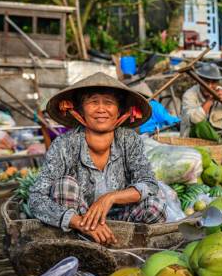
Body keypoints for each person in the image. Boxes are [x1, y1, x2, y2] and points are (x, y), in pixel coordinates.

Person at [29, 72, 167, 245]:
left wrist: (110, 198)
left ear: (119, 111)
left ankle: (125, 244)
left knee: (156, 206)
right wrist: (79, 221)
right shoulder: (65, 144)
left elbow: (149, 183)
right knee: (65, 185)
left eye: (109, 103)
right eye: (93, 102)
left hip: (122, 218)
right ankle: (79, 246)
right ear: (80, 110)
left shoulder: (129, 139)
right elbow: (36, 198)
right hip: (79, 222)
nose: (101, 109)